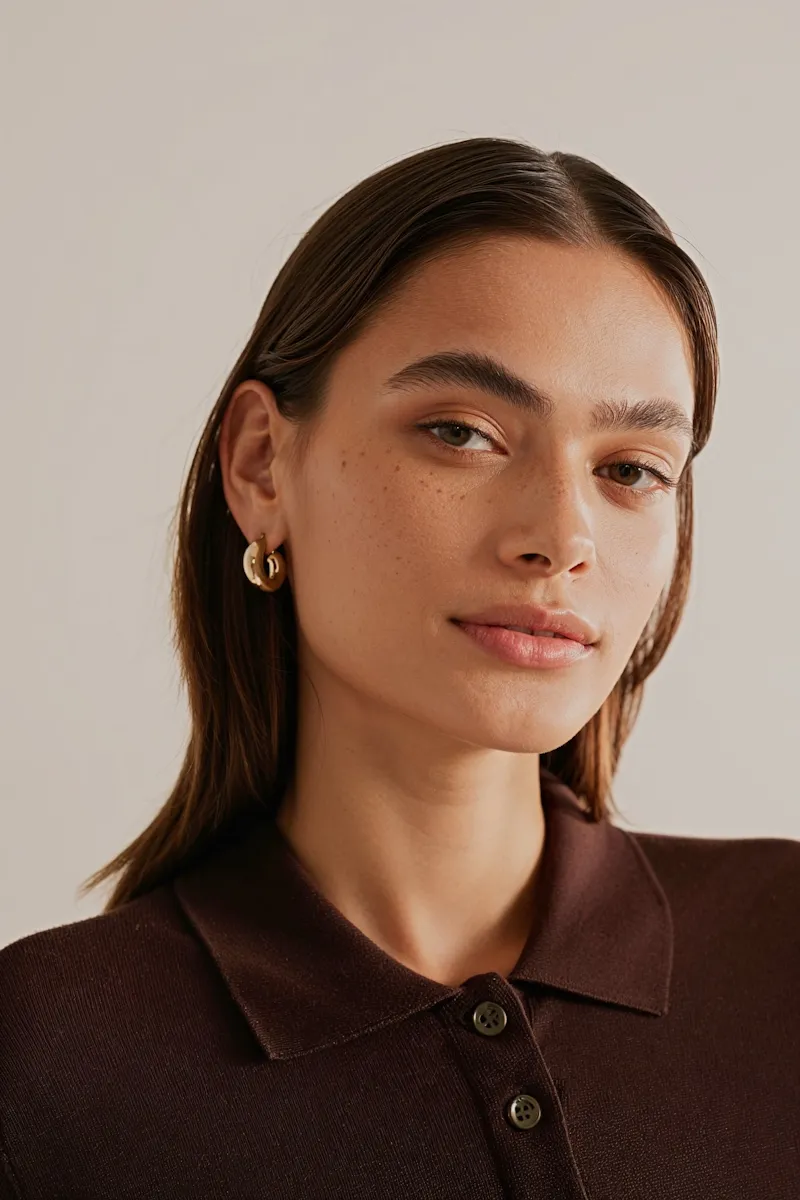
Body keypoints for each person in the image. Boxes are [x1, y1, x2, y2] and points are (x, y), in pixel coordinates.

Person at [1, 136, 797, 1199]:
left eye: (628, 469)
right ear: (259, 465)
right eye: (461, 433)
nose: (560, 535)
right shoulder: (49, 1056)